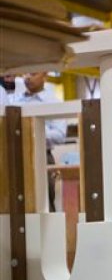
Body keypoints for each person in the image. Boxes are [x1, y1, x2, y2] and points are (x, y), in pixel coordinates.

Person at [15, 72, 66, 212]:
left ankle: (49, 234)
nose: (27, 77)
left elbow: (60, 134)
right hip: (16, 157)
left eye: (33, 73)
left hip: (42, 157)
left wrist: (33, 133)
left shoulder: (53, 102)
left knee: (45, 204)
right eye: (25, 73)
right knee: (17, 204)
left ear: (45, 74)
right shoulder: (14, 100)